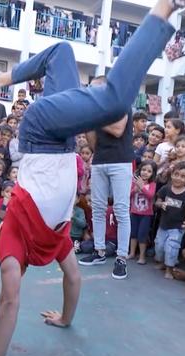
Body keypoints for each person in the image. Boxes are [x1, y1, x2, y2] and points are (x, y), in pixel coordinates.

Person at [0, 1, 177, 356]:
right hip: (60, 140)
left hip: (42, 132)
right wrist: (64, 318)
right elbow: (73, 280)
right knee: (61, 52)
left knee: (114, 100)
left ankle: (166, 6)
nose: (6, 256)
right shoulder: (55, 237)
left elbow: (9, 300)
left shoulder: (22, 235)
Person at [77, 74, 133, 279]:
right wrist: (88, 125)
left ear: (106, 88)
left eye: (95, 87)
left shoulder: (121, 104)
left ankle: (121, 258)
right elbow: (93, 145)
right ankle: (99, 251)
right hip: (100, 160)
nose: (91, 91)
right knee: (97, 208)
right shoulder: (97, 112)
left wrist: (94, 119)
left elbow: (118, 130)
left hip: (120, 161)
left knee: (120, 210)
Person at [153, 162, 185, 279]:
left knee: (171, 247)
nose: (178, 178)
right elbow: (157, 201)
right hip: (163, 225)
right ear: (171, 174)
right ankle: (162, 262)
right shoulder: (165, 189)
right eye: (176, 174)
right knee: (159, 245)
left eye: (183, 176)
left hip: (177, 227)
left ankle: (169, 269)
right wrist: (160, 204)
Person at [128, 160, 157, 264]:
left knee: (142, 235)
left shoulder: (152, 184)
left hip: (146, 215)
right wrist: (135, 189)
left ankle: (142, 256)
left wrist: (142, 187)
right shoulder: (134, 181)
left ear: (152, 174)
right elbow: (128, 195)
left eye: (149, 171)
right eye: (143, 170)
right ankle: (132, 253)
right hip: (134, 212)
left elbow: (150, 195)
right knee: (133, 233)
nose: (145, 172)